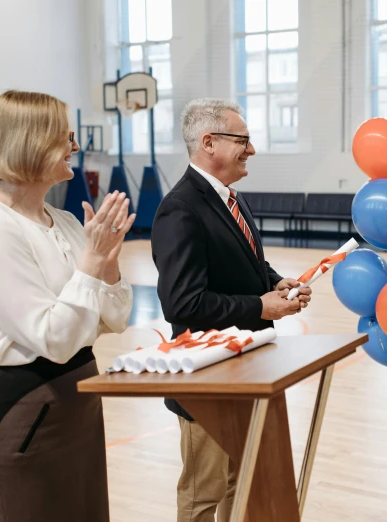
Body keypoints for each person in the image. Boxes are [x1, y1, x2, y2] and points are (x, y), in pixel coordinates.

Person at [0, 90, 136, 522]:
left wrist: (106, 264)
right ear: (29, 143)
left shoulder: (69, 222)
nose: (74, 147)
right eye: (64, 137)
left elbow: (117, 318)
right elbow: (53, 339)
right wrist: (92, 264)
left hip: (79, 397)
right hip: (29, 404)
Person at [151, 98, 311, 522]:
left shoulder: (230, 199)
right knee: (204, 493)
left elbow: (241, 260)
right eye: (243, 140)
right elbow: (182, 302)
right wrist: (261, 305)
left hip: (243, 367)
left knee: (237, 485)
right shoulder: (179, 208)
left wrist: (275, 281)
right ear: (209, 143)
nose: (251, 150)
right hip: (206, 376)